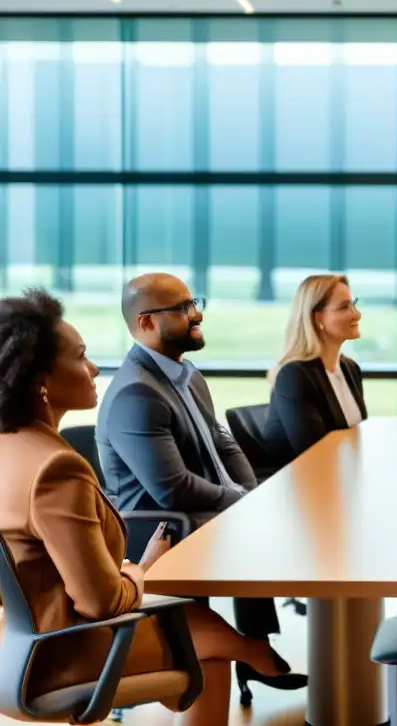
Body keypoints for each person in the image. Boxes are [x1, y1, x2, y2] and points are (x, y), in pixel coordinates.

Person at [0, 289, 298, 725]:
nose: (94, 368)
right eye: (80, 356)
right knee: (207, 642)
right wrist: (141, 567)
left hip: (16, 644)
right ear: (38, 381)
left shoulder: (10, 450)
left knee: (203, 631)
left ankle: (251, 649)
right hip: (60, 657)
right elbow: (100, 603)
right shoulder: (57, 468)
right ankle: (252, 650)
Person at [96, 273, 307, 705]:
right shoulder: (137, 392)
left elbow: (222, 441)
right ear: (147, 323)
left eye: (194, 302)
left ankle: (253, 642)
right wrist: (244, 504)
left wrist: (247, 494)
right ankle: (253, 646)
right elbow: (171, 488)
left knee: (281, 519)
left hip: (192, 513)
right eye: (183, 308)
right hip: (157, 527)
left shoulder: (186, 374)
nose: (198, 314)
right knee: (287, 531)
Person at [263, 273, 367, 466]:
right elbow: (314, 452)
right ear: (318, 318)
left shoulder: (349, 368)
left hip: (342, 474)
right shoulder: (295, 375)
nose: (357, 314)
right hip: (300, 486)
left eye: (354, 304)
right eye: (345, 307)